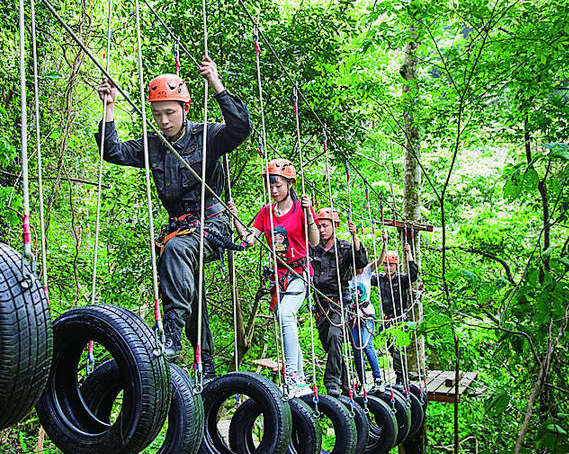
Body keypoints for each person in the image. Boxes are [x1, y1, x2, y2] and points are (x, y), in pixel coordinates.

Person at [95, 57, 252, 384]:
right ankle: (206, 365)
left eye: (170, 112)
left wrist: (216, 84)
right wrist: (109, 107)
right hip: (179, 229)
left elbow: (241, 128)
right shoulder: (154, 145)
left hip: (212, 225)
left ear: (185, 108)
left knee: (177, 252)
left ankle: (172, 336)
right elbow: (114, 152)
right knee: (185, 283)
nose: (164, 120)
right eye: (157, 114)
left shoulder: (207, 136)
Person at [228, 159, 319, 396]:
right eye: (270, 186)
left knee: (285, 314)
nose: (274, 190)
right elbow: (248, 239)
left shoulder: (301, 209)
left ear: (289, 183)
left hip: (299, 273)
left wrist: (309, 213)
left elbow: (315, 241)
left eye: (277, 184)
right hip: (279, 277)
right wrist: (235, 218)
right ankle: (299, 378)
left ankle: (291, 376)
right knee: (284, 319)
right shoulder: (265, 213)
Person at [309, 208, 368, 397]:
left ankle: (332, 382)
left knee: (335, 336)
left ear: (334, 226)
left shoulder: (344, 248)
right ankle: (346, 386)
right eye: (319, 226)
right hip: (320, 303)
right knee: (330, 346)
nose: (322, 229)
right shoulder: (313, 248)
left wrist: (355, 237)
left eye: (325, 225)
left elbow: (361, 262)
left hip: (339, 301)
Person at [371, 242, 419, 387]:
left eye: (391, 265)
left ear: (396, 266)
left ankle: (401, 378)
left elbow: (413, 274)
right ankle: (401, 375)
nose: (388, 268)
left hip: (399, 318)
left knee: (398, 349)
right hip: (386, 319)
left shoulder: (402, 279)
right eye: (386, 265)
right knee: (392, 350)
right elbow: (365, 275)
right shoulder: (380, 279)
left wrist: (409, 253)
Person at [348, 230, 388, 392]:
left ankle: (378, 378)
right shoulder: (346, 275)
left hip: (366, 314)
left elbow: (379, 261)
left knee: (367, 345)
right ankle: (363, 381)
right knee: (356, 349)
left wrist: (384, 244)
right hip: (352, 315)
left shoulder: (367, 271)